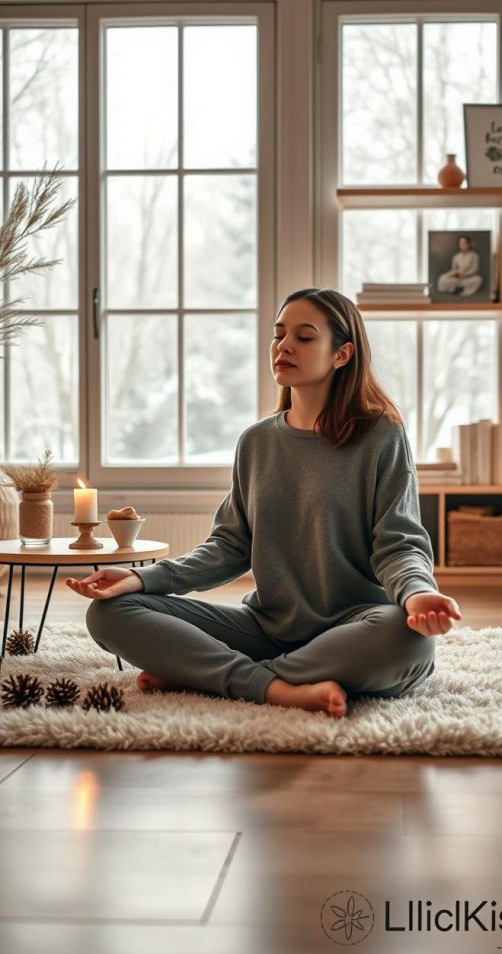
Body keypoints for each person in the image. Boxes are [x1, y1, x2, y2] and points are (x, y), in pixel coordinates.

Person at [66, 288, 461, 719]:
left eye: (304, 337)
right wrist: (143, 580)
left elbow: (399, 543)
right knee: (109, 613)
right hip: (265, 628)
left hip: (356, 626)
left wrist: (418, 593)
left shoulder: (381, 436)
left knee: (408, 641)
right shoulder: (257, 442)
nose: (284, 346)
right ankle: (276, 686)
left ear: (342, 354)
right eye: (279, 335)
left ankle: (217, 677)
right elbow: (230, 547)